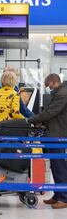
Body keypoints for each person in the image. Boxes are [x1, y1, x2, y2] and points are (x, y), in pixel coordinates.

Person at [27, 74, 67, 209]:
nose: (48, 88)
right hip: (53, 133)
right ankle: (57, 195)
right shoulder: (59, 93)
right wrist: (41, 121)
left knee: (60, 166)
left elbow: (50, 112)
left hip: (59, 135)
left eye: (49, 85)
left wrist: (30, 120)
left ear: (54, 82)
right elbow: (49, 113)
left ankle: (64, 198)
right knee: (55, 166)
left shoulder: (62, 94)